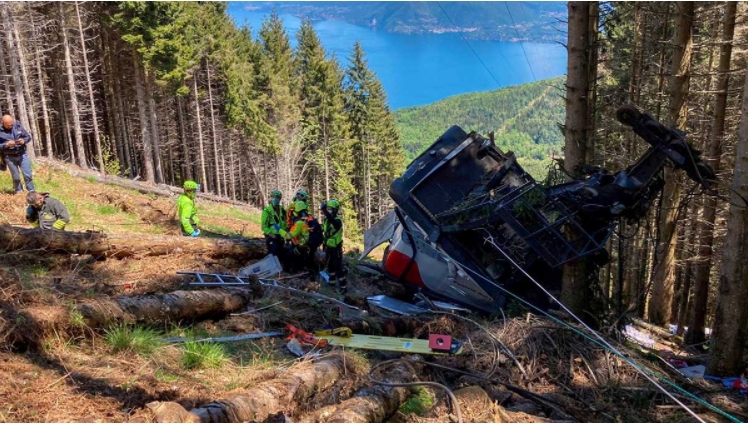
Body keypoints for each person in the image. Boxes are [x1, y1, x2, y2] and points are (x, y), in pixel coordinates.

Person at [279, 200, 322, 280]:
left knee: (288, 256)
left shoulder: (299, 223)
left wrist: (279, 230)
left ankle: (290, 274)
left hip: (302, 247)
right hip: (309, 246)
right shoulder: (308, 219)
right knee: (308, 261)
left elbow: (288, 236)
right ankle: (310, 273)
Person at [0, 114, 34, 193]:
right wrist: (6, 145)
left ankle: (31, 191)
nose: (10, 126)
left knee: (28, 175)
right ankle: (19, 192)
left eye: (11, 124)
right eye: (8, 125)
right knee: (16, 177)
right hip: (9, 156)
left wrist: (23, 141)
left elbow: (28, 137)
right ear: (3, 123)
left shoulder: (18, 126)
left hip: (22, 154)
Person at [321, 199, 347, 291]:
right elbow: (324, 232)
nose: (329, 210)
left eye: (330, 209)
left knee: (338, 268)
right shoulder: (326, 220)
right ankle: (332, 283)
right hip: (328, 247)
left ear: (335, 210)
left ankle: (343, 287)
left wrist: (325, 212)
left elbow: (334, 223)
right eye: (328, 208)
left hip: (336, 248)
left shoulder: (337, 220)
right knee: (330, 266)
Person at [261, 189, 287, 258]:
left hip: (282, 236)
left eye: (277, 197)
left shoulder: (282, 210)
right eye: (273, 197)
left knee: (281, 255)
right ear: (271, 198)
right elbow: (264, 227)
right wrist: (273, 236)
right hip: (272, 237)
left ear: (280, 198)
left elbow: (285, 223)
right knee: (273, 253)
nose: (275, 199)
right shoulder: (267, 211)